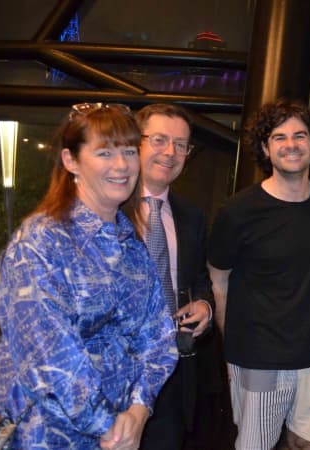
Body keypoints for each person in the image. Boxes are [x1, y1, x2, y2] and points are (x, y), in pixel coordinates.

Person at [0, 103, 177, 449]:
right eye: (104, 152)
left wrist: (140, 410)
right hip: (40, 434)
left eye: (129, 151)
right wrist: (110, 426)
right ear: (71, 160)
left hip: (120, 431)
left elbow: (158, 336)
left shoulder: (131, 245)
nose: (122, 165)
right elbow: (51, 359)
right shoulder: (39, 243)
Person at [207, 99, 310, 450]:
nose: (291, 144)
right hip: (259, 357)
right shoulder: (238, 212)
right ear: (266, 149)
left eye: (300, 135)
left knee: (308, 442)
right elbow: (218, 281)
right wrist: (234, 347)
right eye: (279, 137)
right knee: (256, 445)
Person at [124, 103, 216, 449]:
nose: (170, 152)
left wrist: (205, 305)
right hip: (117, 376)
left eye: (181, 145)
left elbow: (199, 278)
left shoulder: (192, 216)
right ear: (135, 142)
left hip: (174, 371)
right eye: (160, 140)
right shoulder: (107, 209)